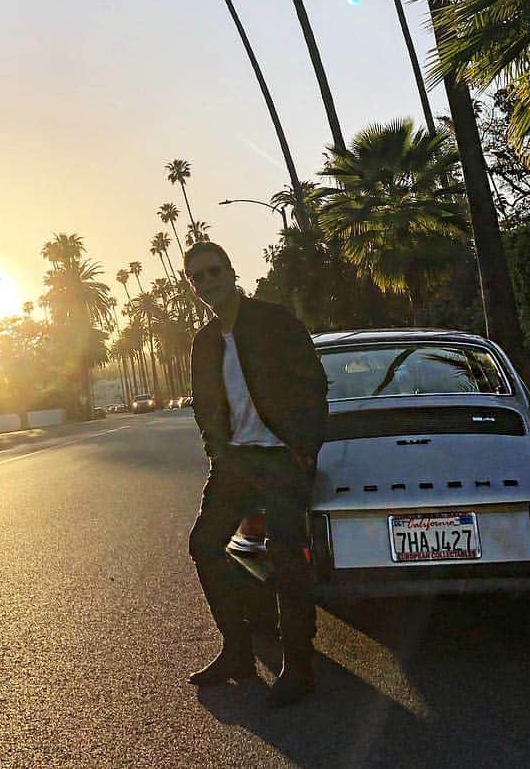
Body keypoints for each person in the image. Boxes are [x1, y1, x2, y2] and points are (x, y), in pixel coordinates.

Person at [184, 240, 328, 708]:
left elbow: (312, 382)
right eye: (198, 277)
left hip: (283, 456)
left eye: (213, 271)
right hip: (237, 460)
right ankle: (237, 651)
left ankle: (299, 665)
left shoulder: (273, 321)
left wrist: (304, 449)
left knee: (286, 557)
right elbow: (206, 408)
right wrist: (218, 453)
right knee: (204, 544)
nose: (208, 282)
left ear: (231, 270)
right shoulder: (204, 343)